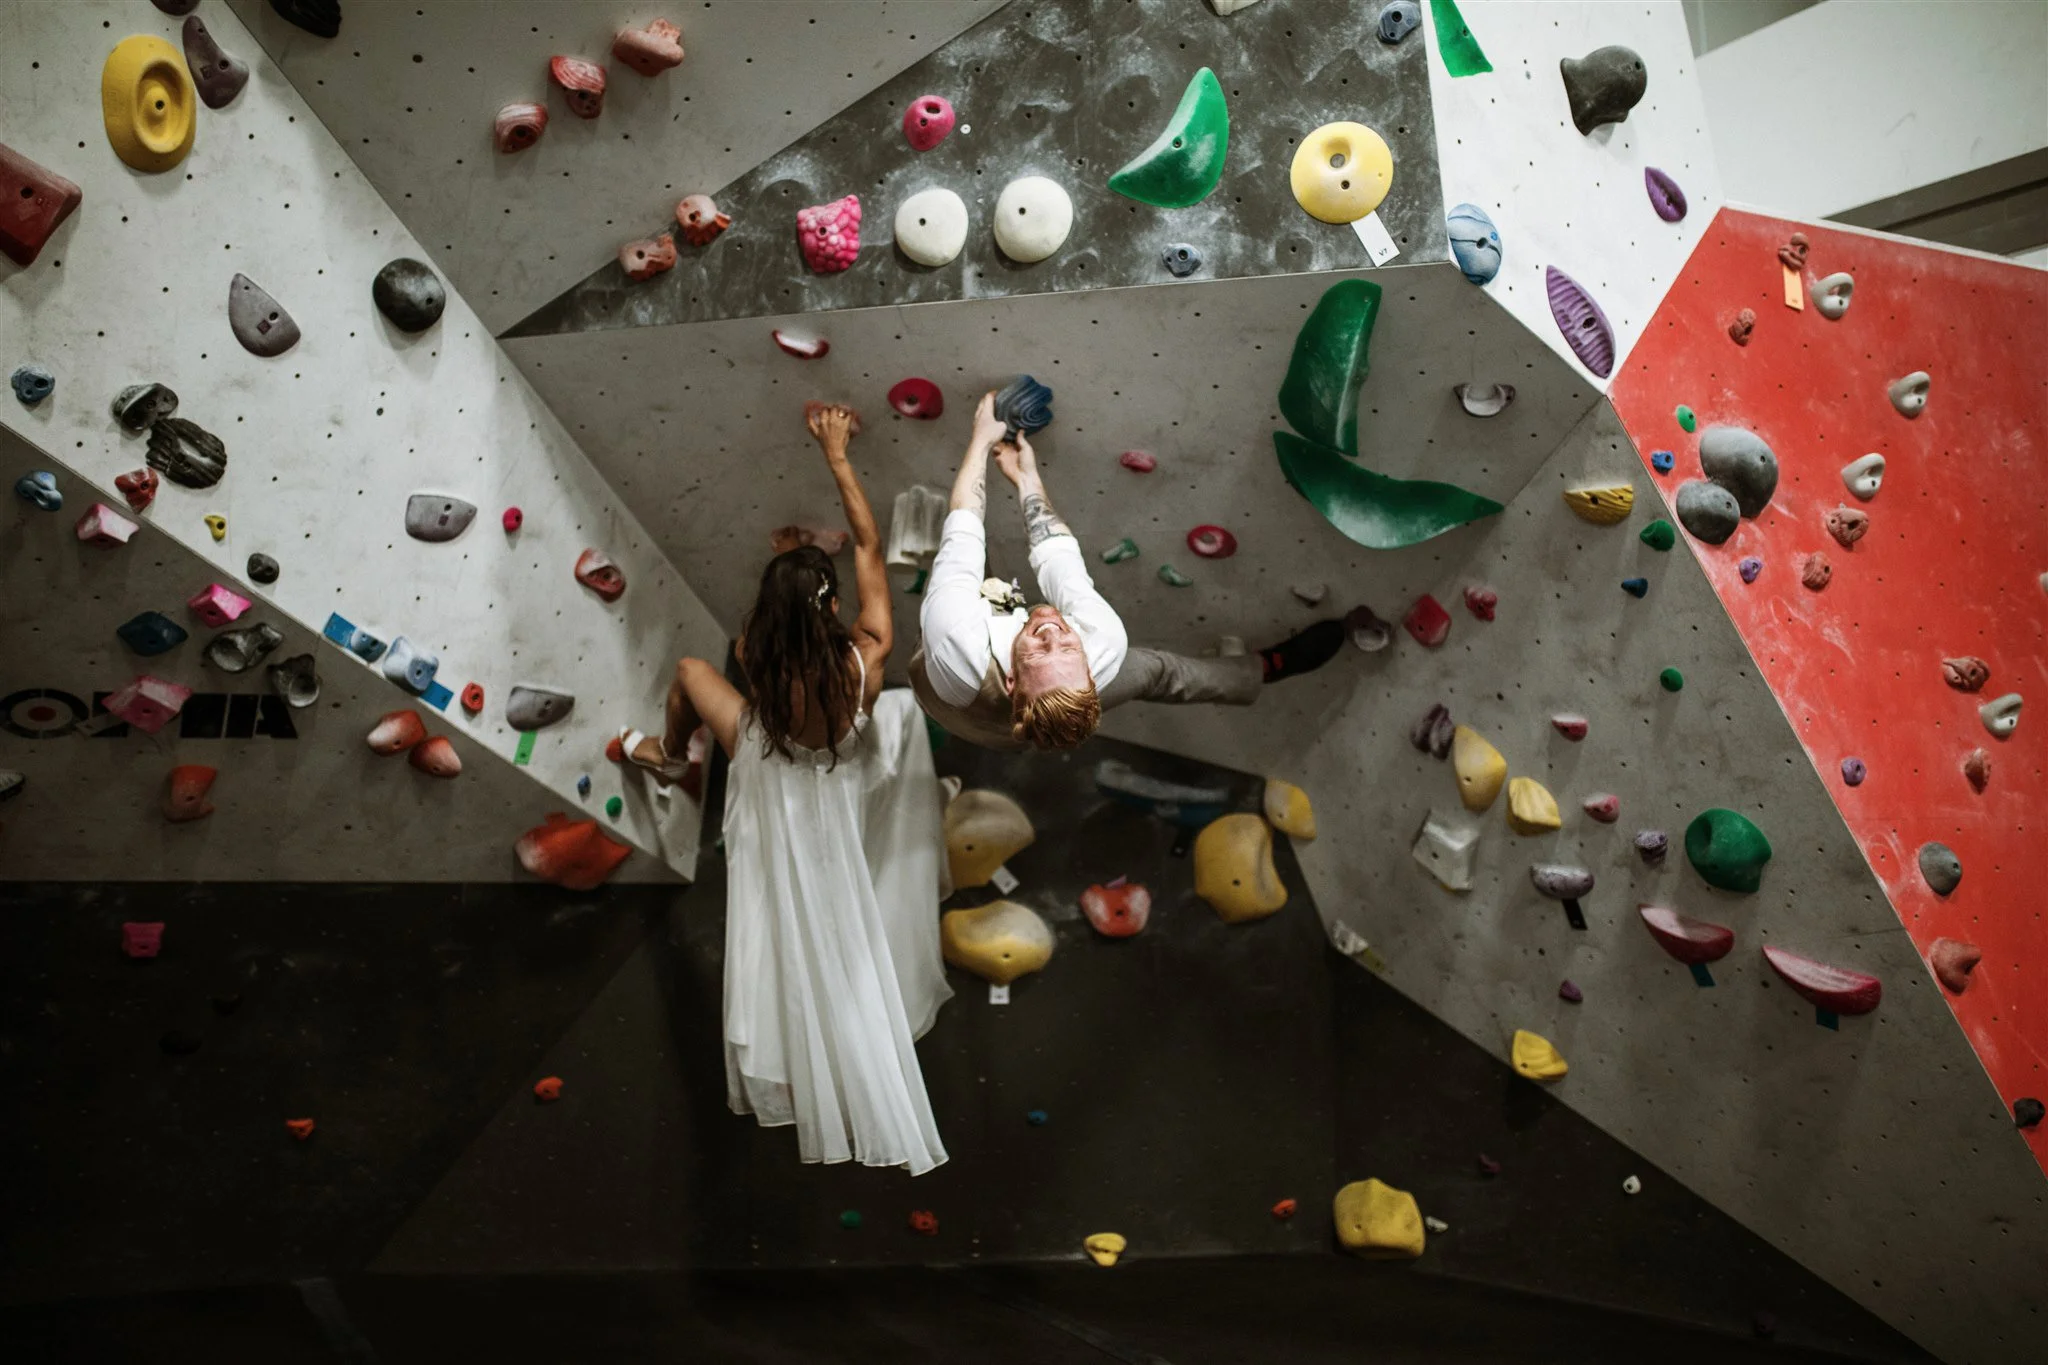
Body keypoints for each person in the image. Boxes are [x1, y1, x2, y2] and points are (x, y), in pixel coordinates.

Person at [621, 402, 952, 1175]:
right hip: (832, 767)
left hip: (765, 757)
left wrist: (798, 557)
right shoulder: (865, 658)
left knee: (688, 676)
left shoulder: (749, 648)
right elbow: (870, 543)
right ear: (830, 608)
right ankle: (671, 760)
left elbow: (780, 644)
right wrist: (836, 453)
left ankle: (669, 757)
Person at [909, 391, 1348, 751]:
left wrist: (995, 451)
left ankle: (1250, 673)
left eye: (1048, 649)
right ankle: (1260, 671)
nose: (1051, 629)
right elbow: (1049, 554)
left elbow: (969, 523)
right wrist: (1008, 462)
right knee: (1155, 671)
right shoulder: (1096, 643)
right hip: (978, 712)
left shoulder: (957, 635)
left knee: (965, 569)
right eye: (1062, 648)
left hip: (957, 693)